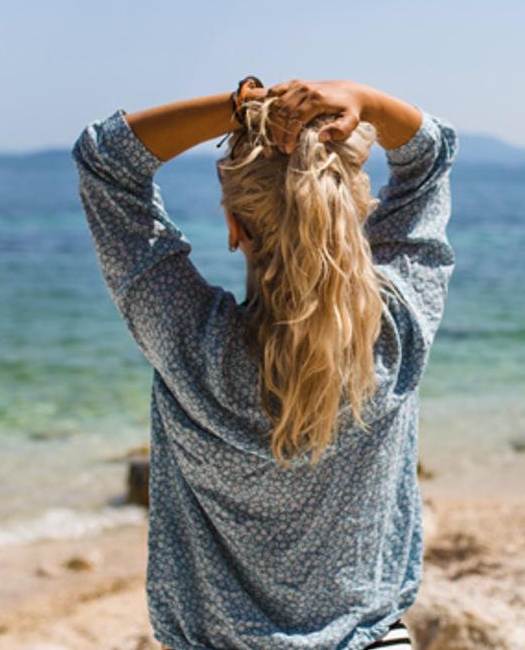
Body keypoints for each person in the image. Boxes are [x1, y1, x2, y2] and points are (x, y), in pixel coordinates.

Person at [72, 77, 457, 649]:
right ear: (353, 217)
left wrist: (241, 106)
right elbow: (429, 158)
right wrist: (365, 101)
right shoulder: (394, 333)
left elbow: (106, 162)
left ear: (235, 229)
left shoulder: (189, 343)